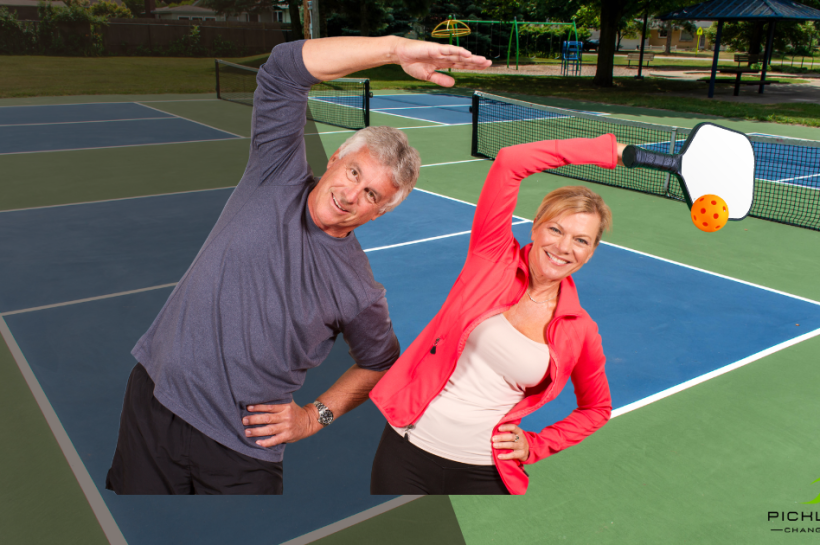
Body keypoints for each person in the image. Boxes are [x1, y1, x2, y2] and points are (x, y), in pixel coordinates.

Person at [105, 36, 491, 495]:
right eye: (354, 174)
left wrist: (313, 416)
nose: (351, 196)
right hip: (153, 404)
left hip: (240, 453)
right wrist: (393, 50)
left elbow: (380, 362)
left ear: (380, 212)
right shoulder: (274, 173)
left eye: (371, 195)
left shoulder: (359, 290)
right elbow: (284, 69)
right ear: (335, 160)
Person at [369, 135, 627, 495]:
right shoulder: (491, 258)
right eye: (556, 229)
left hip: (485, 470)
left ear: (592, 252)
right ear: (536, 226)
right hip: (408, 451)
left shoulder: (580, 330)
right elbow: (510, 162)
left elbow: (597, 408)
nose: (564, 247)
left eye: (581, 240)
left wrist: (536, 446)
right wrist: (609, 152)